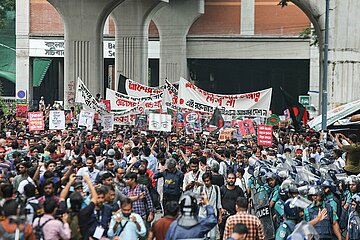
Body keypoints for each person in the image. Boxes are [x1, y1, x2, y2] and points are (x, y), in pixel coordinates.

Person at [220, 173, 244, 239]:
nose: (231, 180)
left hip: (235, 217)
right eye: (229, 178)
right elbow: (218, 202)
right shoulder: (222, 189)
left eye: (233, 178)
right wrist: (221, 209)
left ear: (235, 179)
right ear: (227, 179)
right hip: (224, 217)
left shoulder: (239, 190)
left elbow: (242, 203)